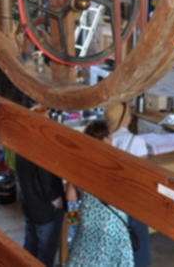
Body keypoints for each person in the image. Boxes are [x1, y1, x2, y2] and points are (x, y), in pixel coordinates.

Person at [65, 121, 134, 267]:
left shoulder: (79, 163)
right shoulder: (116, 163)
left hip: (89, 221)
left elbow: (70, 197)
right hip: (113, 223)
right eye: (110, 135)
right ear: (105, 138)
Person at [15, 106, 66, 267]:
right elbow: (48, 185)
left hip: (29, 203)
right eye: (47, 119)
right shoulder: (42, 149)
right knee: (45, 251)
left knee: (31, 244)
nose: (50, 122)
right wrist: (58, 203)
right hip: (44, 211)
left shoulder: (21, 143)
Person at [104, 102, 151, 267]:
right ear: (125, 119)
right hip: (131, 198)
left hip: (109, 199)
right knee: (138, 242)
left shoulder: (105, 138)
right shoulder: (136, 141)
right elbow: (141, 173)